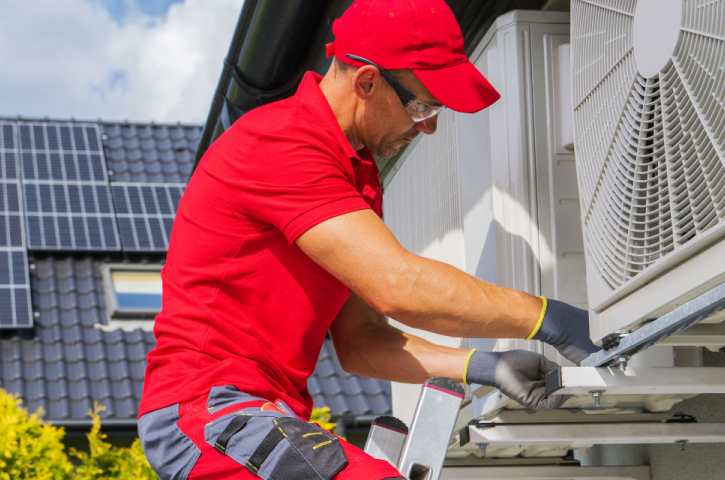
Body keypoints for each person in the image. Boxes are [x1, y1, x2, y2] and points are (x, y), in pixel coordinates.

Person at [138, 0, 601, 478]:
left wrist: (483, 364)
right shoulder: (282, 143)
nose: (430, 125)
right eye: (422, 105)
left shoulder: (355, 176)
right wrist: (551, 319)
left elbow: (362, 341)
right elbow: (398, 286)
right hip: (208, 410)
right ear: (367, 82)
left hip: (262, 412)